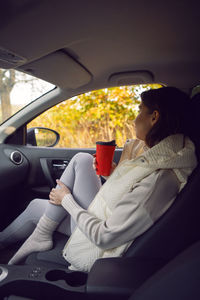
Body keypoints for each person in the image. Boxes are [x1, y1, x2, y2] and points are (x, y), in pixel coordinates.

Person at [0, 87, 197, 273]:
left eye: (140, 111)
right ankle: (35, 236)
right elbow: (128, 194)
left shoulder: (159, 179)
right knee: (82, 160)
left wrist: (66, 199)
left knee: (39, 205)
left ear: (154, 117)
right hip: (104, 216)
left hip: (96, 245)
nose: (135, 119)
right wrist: (112, 174)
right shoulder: (160, 156)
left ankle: (33, 238)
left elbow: (104, 237)